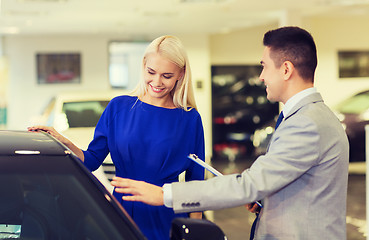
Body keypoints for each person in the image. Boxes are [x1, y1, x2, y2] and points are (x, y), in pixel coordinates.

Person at [110, 26, 350, 240]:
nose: (261, 76)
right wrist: (266, 202)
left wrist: (165, 194)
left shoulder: (307, 123)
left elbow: (250, 184)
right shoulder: (304, 118)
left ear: (286, 69)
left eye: (264, 66)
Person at [28, 35, 205, 240]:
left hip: (165, 214)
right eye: (151, 72)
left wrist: (197, 232)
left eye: (166, 75)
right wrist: (65, 142)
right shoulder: (118, 107)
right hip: (120, 211)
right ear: (144, 66)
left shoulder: (190, 119)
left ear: (180, 75)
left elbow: (196, 183)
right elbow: (92, 160)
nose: (156, 82)